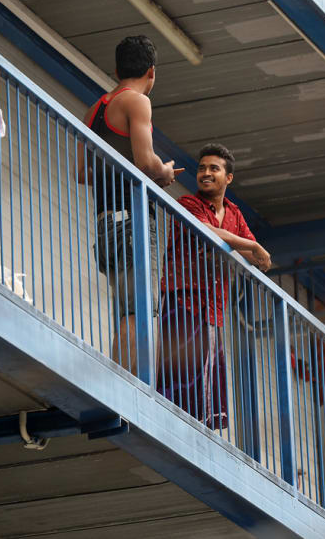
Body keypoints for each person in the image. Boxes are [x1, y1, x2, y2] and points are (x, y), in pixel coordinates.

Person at [77, 35, 181, 375]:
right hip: (132, 225)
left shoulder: (96, 108)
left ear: (116, 69)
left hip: (106, 225)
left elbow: (82, 172)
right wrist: (163, 172)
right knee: (140, 314)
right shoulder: (137, 101)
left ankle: (119, 382)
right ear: (151, 72)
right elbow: (144, 162)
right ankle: (122, 386)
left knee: (128, 313)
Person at [158, 143, 271, 429]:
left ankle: (199, 430)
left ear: (228, 178)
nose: (206, 174)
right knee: (180, 367)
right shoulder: (188, 203)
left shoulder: (233, 213)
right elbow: (206, 230)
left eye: (214, 169)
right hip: (182, 298)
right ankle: (170, 421)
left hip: (213, 308)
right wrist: (247, 245)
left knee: (208, 372)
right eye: (202, 168)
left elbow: (255, 257)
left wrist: (246, 248)